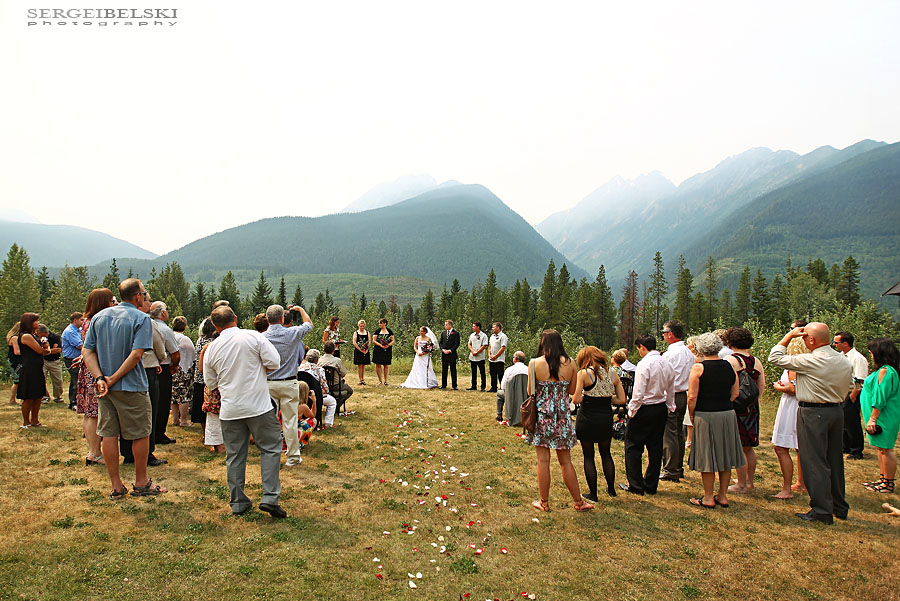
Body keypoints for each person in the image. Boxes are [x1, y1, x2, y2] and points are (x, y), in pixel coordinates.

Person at [82, 278, 166, 499]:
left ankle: (116, 486)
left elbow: (87, 351)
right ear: (138, 296)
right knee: (140, 433)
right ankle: (141, 483)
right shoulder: (141, 318)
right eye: (144, 293)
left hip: (105, 389)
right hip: (131, 386)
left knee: (109, 434)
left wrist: (100, 378)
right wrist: (113, 378)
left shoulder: (99, 317)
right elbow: (137, 353)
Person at [203, 305, 285, 518]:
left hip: (230, 408)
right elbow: (274, 362)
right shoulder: (253, 337)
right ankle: (269, 496)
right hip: (258, 405)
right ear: (236, 318)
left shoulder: (212, 348)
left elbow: (210, 382)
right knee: (270, 448)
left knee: (235, 455)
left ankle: (238, 501)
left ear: (214, 325)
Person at [769, 322, 852, 525]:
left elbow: (775, 357)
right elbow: (850, 385)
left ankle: (821, 510)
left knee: (814, 461)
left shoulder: (811, 360)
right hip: (836, 411)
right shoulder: (843, 360)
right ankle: (838, 506)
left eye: (805, 337)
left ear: (812, 340)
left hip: (813, 411)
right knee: (834, 460)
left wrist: (788, 336)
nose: (804, 340)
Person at [526, 329, 593, 512]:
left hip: (542, 416)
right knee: (566, 461)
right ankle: (578, 502)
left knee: (543, 461)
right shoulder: (571, 364)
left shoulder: (534, 363)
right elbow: (572, 391)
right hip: (562, 417)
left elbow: (530, 390)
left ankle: (544, 502)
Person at [686, 332, 745, 509]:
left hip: (706, 414)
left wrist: (692, 414)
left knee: (708, 457)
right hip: (727, 414)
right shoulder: (729, 366)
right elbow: (735, 392)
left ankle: (708, 497)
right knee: (725, 455)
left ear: (701, 348)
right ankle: (723, 495)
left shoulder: (699, 368)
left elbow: (692, 397)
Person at [620, 334, 675, 496]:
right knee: (655, 447)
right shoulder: (666, 362)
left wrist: (632, 411)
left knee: (633, 447)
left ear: (642, 347)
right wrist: (670, 405)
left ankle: (636, 485)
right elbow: (671, 386)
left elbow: (638, 392)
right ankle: (651, 485)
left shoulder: (644, 364)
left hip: (644, 408)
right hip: (660, 407)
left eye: (638, 349)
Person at [572, 346, 626, 501]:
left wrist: (587, 395)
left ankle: (593, 494)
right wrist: (606, 398)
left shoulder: (584, 373)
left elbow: (576, 399)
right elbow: (621, 400)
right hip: (605, 417)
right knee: (606, 453)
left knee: (588, 456)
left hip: (587, 418)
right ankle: (611, 490)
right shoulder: (612, 373)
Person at [264, 304, 313, 467]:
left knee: (269, 422)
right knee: (290, 422)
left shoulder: (261, 337)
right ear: (282, 318)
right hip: (289, 382)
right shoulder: (292, 333)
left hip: (268, 384)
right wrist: (300, 310)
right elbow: (309, 324)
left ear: (267, 319)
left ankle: (271, 456)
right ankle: (292, 457)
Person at [76, 289, 117, 465]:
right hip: (96, 369)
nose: (114, 304)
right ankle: (94, 452)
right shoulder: (98, 321)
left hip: (88, 368)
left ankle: (93, 450)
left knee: (89, 412)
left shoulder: (86, 321)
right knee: (93, 413)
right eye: (111, 301)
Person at [725, 326, 765, 494]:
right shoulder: (756, 361)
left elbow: (727, 385)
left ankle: (740, 484)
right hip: (752, 407)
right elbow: (761, 387)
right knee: (749, 447)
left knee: (738, 446)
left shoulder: (730, 360)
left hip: (737, 407)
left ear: (730, 342)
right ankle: (749, 481)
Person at [770, 337, 809, 499]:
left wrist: (779, 387)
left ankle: (787, 488)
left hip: (791, 407)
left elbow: (794, 389)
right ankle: (802, 483)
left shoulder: (794, 364)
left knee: (781, 446)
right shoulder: (809, 363)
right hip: (801, 406)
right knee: (801, 448)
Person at [860, 338, 900, 494]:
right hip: (879, 415)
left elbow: (880, 396)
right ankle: (883, 479)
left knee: (886, 449)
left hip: (884, 416)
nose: (870, 355)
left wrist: (873, 417)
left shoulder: (886, 371)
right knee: (880, 449)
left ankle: (888, 483)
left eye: (871, 352)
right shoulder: (882, 370)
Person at [660, 320, 694, 483]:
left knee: (669, 433)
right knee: (679, 431)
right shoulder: (688, 352)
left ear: (670, 334)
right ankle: (677, 467)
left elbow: (663, 376)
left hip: (671, 394)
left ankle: (670, 469)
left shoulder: (670, 354)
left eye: (664, 333)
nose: (663, 336)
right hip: (683, 394)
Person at [833, 331, 869, 460]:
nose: (834, 344)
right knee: (842, 422)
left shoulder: (857, 358)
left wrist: (853, 396)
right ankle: (845, 446)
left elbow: (860, 380)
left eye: (836, 342)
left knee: (852, 423)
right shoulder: (839, 356)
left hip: (851, 393)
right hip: (840, 393)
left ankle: (856, 450)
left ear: (845, 344)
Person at [149, 301, 180, 446]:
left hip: (147, 367)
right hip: (163, 366)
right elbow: (175, 352)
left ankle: (151, 432)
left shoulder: (146, 324)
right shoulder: (165, 329)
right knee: (162, 401)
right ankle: (159, 433)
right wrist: (174, 365)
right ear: (162, 313)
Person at [16, 313, 51, 427]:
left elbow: (44, 348)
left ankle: (35, 420)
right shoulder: (25, 336)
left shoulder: (34, 335)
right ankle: (26, 422)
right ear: (29, 322)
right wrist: (47, 349)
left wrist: (46, 347)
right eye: (36, 321)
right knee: (29, 396)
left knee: (38, 395)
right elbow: (40, 351)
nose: (39, 323)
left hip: (37, 368)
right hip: (29, 369)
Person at [191, 318, 217, 432]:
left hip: (198, 378)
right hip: (208, 379)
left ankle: (204, 432)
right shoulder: (212, 343)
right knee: (210, 407)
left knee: (200, 408)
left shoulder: (200, 340)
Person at [300, 349, 337, 427]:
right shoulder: (319, 369)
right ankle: (328, 423)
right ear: (317, 360)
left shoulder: (300, 367)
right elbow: (325, 388)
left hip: (301, 396)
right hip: (315, 396)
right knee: (332, 402)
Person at [170, 316, 195, 427]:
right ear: (184, 326)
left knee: (174, 395)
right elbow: (192, 353)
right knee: (184, 395)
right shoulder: (184, 339)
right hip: (183, 368)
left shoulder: (170, 336)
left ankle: (175, 419)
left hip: (172, 368)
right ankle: (183, 420)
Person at [319, 342, 353, 411]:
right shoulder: (337, 361)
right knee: (350, 391)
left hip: (323, 386)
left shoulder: (319, 360)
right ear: (333, 351)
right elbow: (343, 373)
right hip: (336, 386)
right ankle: (337, 405)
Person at [497, 350, 529, 424]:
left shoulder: (509, 370)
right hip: (526, 397)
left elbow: (503, 386)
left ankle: (499, 415)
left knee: (499, 393)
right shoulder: (528, 370)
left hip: (511, 396)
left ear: (515, 359)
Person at [61, 312, 84, 410]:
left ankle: (75, 401)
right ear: (75, 320)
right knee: (76, 380)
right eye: (81, 320)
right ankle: (74, 402)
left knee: (76, 379)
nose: (83, 322)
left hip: (77, 358)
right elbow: (80, 346)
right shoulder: (70, 331)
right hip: (72, 360)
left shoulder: (78, 330)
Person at [372, 318, 395, 385]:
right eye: (379, 323)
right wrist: (381, 345)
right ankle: (380, 381)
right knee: (378, 364)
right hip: (378, 350)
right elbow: (374, 340)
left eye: (381, 323)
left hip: (387, 350)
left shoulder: (389, 331)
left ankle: (386, 381)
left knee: (386, 365)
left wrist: (388, 345)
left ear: (385, 323)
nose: (379, 324)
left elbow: (393, 340)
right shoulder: (377, 331)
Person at [467, 322, 488, 391]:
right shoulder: (472, 335)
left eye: (474, 326)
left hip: (480, 357)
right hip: (472, 357)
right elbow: (469, 344)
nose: (473, 327)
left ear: (478, 327)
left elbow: (484, 345)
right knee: (473, 372)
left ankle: (483, 387)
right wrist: (472, 351)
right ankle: (473, 386)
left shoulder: (484, 335)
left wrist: (477, 352)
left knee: (482, 372)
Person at [439, 319, 460, 390]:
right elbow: (441, 343)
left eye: (446, 324)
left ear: (450, 325)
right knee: (444, 370)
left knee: (453, 369)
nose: (445, 326)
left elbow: (457, 344)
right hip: (444, 354)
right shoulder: (443, 333)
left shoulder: (456, 333)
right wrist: (442, 349)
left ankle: (454, 385)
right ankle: (443, 385)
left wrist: (450, 350)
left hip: (452, 354)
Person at [488, 322, 508, 393]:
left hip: (499, 359)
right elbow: (489, 346)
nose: (492, 329)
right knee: (492, 374)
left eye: (494, 327)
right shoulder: (492, 336)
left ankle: (502, 388)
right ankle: (493, 387)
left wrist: (496, 356)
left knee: (500, 374)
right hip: (491, 359)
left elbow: (503, 347)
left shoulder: (503, 336)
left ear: (498, 328)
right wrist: (489, 354)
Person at [7, 323, 22, 405]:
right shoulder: (15, 338)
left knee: (17, 381)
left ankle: (13, 399)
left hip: (15, 360)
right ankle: (15, 399)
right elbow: (17, 352)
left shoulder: (12, 338)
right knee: (18, 380)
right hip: (16, 361)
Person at [352, 320, 370, 385]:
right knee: (360, 365)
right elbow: (354, 342)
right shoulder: (356, 332)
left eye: (363, 326)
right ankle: (360, 379)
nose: (362, 327)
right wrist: (360, 349)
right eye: (360, 326)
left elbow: (369, 341)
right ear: (358, 325)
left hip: (365, 351)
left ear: (365, 326)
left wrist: (366, 349)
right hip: (358, 350)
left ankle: (363, 379)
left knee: (363, 365)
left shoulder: (367, 332)